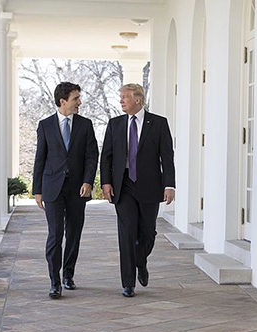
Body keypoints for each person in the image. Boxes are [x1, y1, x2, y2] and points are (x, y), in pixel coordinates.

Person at [100, 84, 175, 297]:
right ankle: (128, 283)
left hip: (150, 186)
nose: (121, 101)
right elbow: (106, 156)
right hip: (123, 186)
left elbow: (167, 157)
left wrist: (169, 185)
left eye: (125, 97)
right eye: (121, 97)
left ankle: (141, 261)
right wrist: (106, 182)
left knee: (148, 233)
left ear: (138, 100)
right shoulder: (115, 124)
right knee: (126, 233)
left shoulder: (159, 123)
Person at [33, 82, 99, 299]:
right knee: (55, 235)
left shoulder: (85, 125)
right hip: (52, 188)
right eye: (75, 98)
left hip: (78, 189)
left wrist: (88, 182)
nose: (79, 102)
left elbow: (92, 157)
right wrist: (37, 190)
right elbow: (40, 159)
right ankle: (54, 282)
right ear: (63, 101)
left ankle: (68, 275)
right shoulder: (45, 125)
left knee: (74, 234)